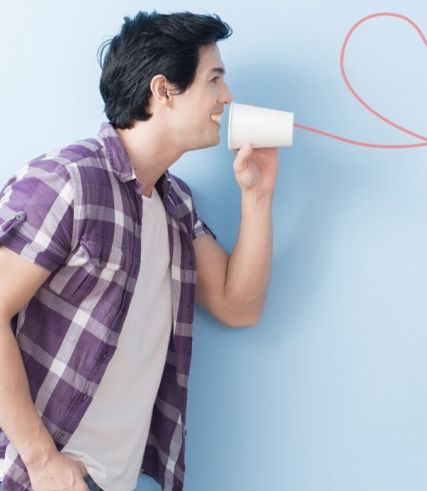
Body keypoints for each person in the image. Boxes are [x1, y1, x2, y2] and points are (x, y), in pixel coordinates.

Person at [0, 11, 279, 491]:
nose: (227, 97)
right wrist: (42, 459)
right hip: (40, 477)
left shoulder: (175, 204)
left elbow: (239, 306)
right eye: (215, 79)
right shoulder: (69, 181)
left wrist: (257, 196)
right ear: (163, 90)